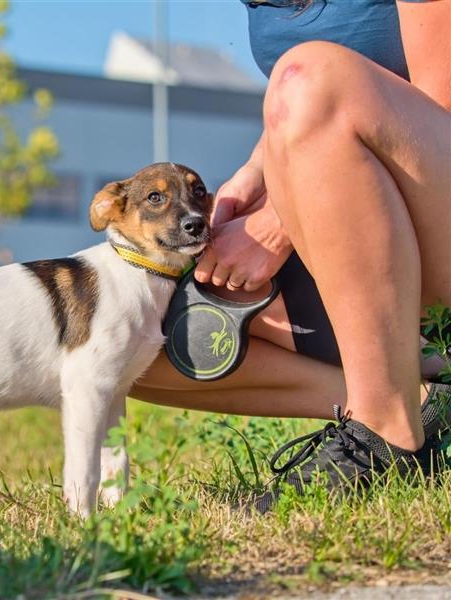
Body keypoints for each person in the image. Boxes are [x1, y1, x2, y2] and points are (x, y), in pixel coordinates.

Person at [131, 0, 451, 511]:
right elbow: (310, 111)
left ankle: (386, 432)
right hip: (387, 234)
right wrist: (257, 175)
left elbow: (434, 111)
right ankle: (421, 406)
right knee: (126, 334)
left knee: (310, 78)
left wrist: (276, 222)